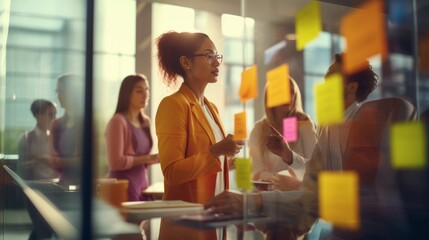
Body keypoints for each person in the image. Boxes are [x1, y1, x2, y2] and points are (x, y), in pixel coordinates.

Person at [205, 53, 379, 239]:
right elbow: (314, 173)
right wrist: (288, 156)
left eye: (331, 76)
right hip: (322, 218)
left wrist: (257, 200)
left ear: (352, 87)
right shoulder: (327, 125)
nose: (324, 80)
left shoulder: (364, 125)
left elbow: (341, 193)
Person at [155, 31, 244, 240]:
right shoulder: (174, 105)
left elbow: (206, 161)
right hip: (187, 224)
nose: (217, 63)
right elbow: (172, 172)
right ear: (186, 62)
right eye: (208, 55)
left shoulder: (211, 108)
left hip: (213, 217)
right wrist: (216, 152)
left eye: (217, 56)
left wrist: (226, 162)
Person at [249, 77, 317, 191]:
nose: (290, 96)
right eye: (284, 91)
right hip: (267, 195)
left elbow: (314, 166)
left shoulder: (304, 124)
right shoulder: (259, 129)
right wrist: (276, 179)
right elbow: (256, 170)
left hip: (297, 194)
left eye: (292, 92)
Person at [105, 74, 159, 201]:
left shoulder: (145, 121)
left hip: (143, 184)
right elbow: (115, 162)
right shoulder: (117, 121)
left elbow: (144, 160)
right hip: (123, 186)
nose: (145, 95)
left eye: (147, 90)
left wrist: (159, 158)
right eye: (139, 91)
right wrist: (148, 158)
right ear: (127, 94)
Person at [50, 74, 84, 182]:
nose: (58, 96)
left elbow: (84, 161)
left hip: (84, 185)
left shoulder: (85, 123)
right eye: (57, 91)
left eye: (62, 91)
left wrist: (59, 160)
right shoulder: (56, 124)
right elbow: (53, 160)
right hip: (63, 182)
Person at [18, 99, 59, 180]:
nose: (55, 118)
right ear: (38, 116)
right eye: (51, 114)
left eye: (55, 114)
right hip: (36, 187)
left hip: (58, 186)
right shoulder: (27, 139)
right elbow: (23, 169)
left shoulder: (57, 137)